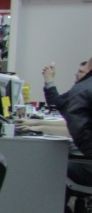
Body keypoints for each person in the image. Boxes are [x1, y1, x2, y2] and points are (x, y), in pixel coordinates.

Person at [43, 57, 92, 186]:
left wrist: (49, 80)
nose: (76, 74)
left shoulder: (83, 90)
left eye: (81, 71)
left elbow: (62, 108)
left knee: (50, 165)